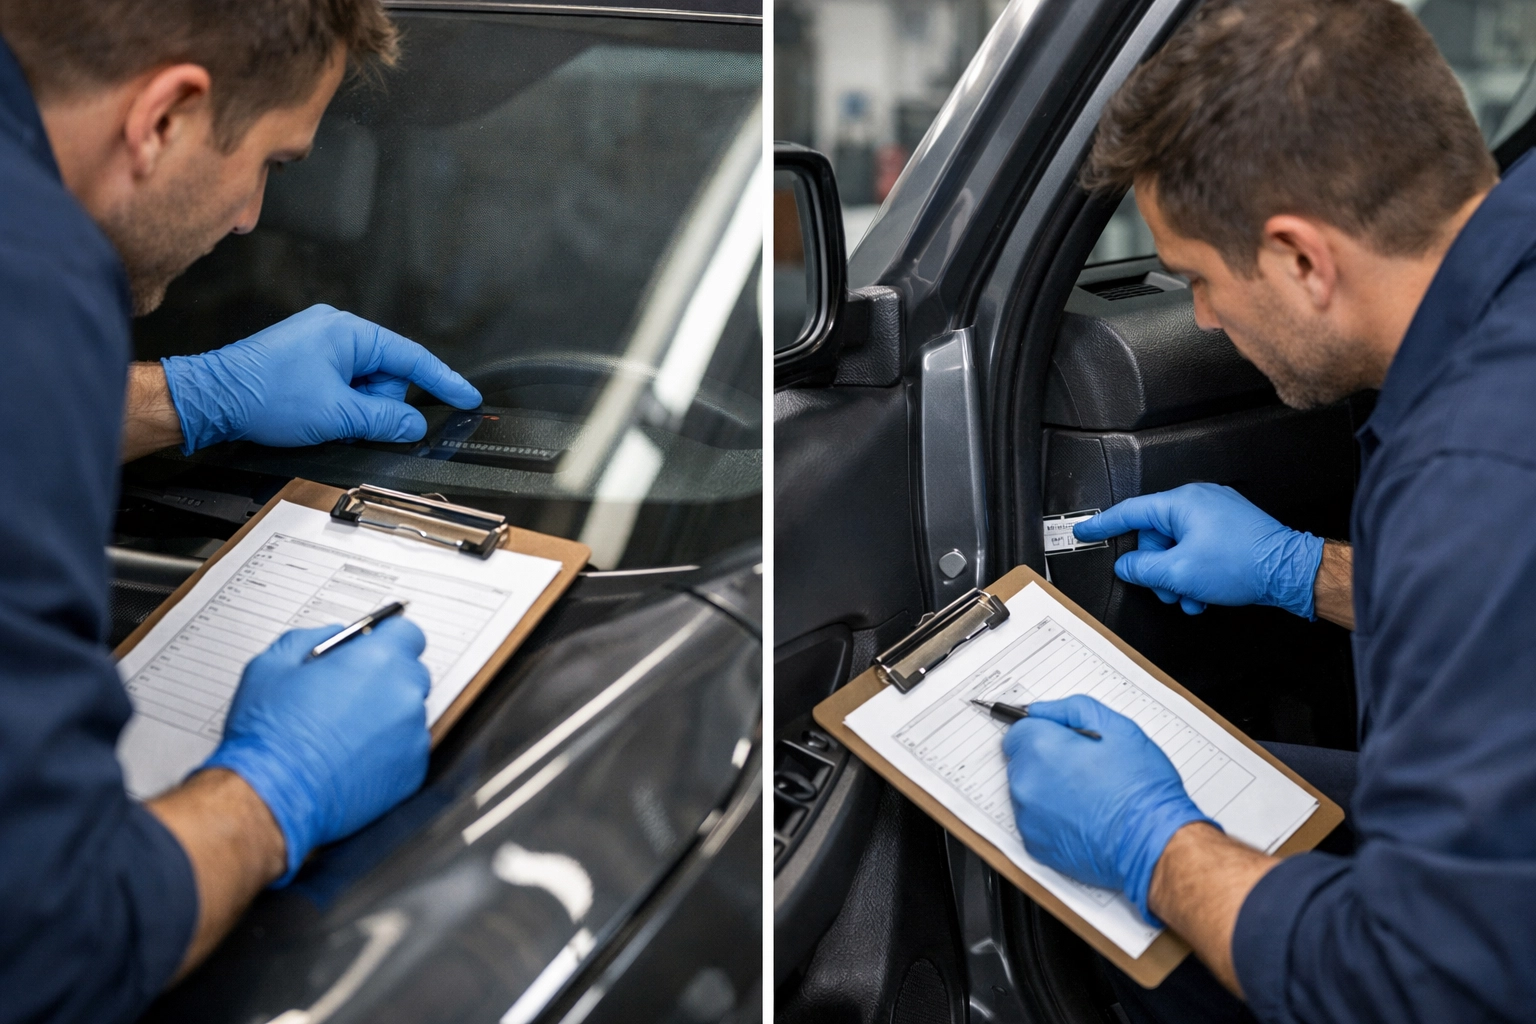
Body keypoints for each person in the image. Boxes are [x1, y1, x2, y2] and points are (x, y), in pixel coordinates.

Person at [1000, 1, 1536, 1021]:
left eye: (1199, 277)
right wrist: (1302, 570)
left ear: (1300, 258)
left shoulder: (1475, 467)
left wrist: (1152, 846)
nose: (1199, 314)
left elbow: (1424, 987)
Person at [0, 2, 487, 1019]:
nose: (254, 218)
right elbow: (48, 942)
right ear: (165, 117)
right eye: (273, 160)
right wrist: (275, 788)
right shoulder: (35, 280)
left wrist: (188, 396)